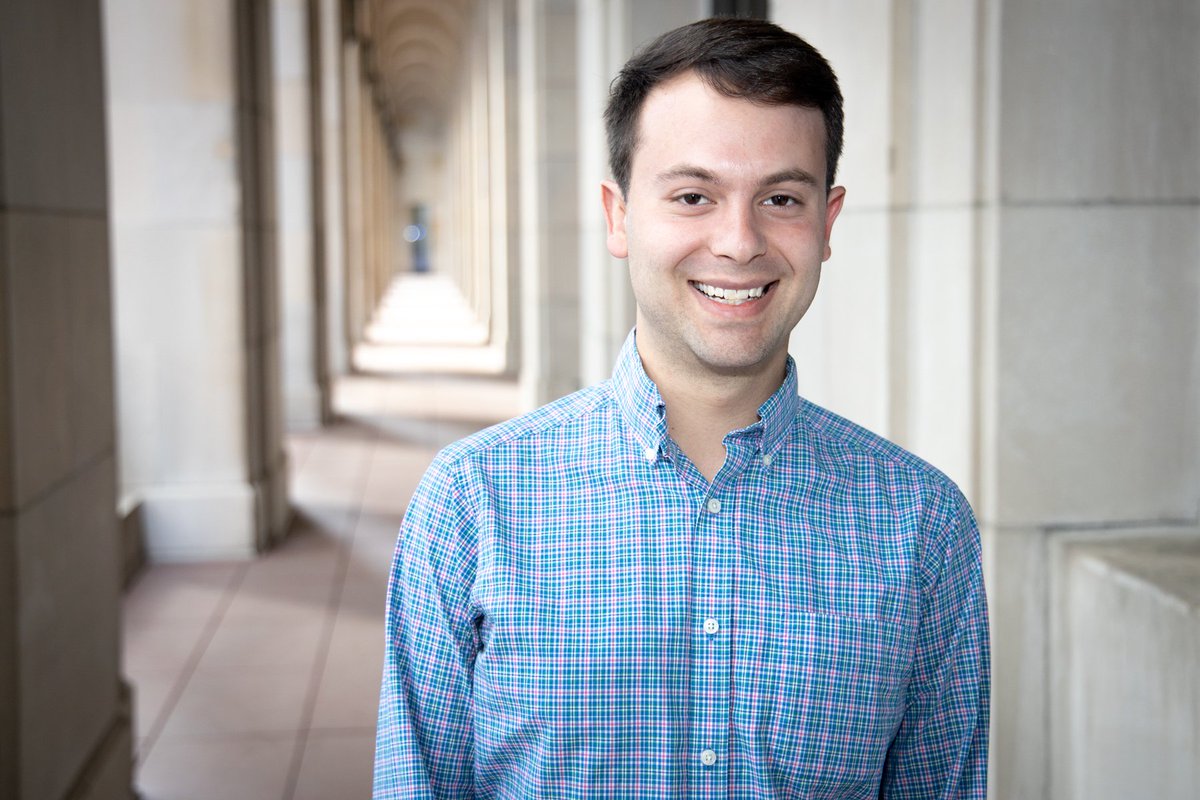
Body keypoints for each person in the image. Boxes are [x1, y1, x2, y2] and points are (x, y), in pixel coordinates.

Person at [374, 16, 989, 799]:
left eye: (781, 198)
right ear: (619, 215)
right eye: (694, 195)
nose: (738, 242)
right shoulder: (471, 501)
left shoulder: (923, 525)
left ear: (826, 223)